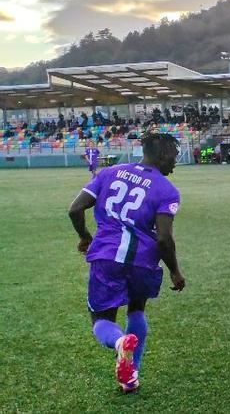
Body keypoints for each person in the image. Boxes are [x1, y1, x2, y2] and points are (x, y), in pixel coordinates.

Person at [66, 133, 186, 394]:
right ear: (163, 154)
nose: (175, 163)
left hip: (107, 257)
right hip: (143, 262)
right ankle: (132, 373)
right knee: (137, 311)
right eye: (174, 157)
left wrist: (85, 237)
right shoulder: (167, 190)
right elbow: (164, 239)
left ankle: (120, 342)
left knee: (100, 319)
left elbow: (75, 209)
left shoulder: (109, 172)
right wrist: (175, 271)